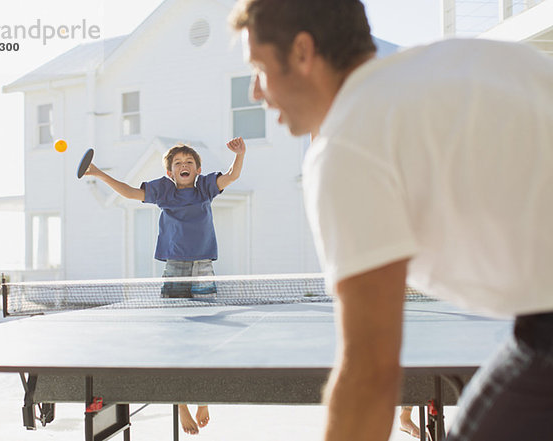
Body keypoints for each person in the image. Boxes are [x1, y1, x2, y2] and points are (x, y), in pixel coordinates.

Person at [229, 1, 553, 440]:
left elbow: (369, 370)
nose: (255, 92)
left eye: (259, 68)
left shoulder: (348, 144)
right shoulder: (467, 63)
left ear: (303, 53)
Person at [85, 137, 246, 434]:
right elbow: (131, 192)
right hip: (175, 268)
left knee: (205, 334)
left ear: (198, 169)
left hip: (203, 268)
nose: (183, 166)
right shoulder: (163, 190)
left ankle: (203, 399)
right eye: (177, 164)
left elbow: (233, 175)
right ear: (170, 172)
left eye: (188, 163)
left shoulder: (206, 187)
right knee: (176, 336)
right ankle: (182, 403)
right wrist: (99, 173)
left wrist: (239, 155)